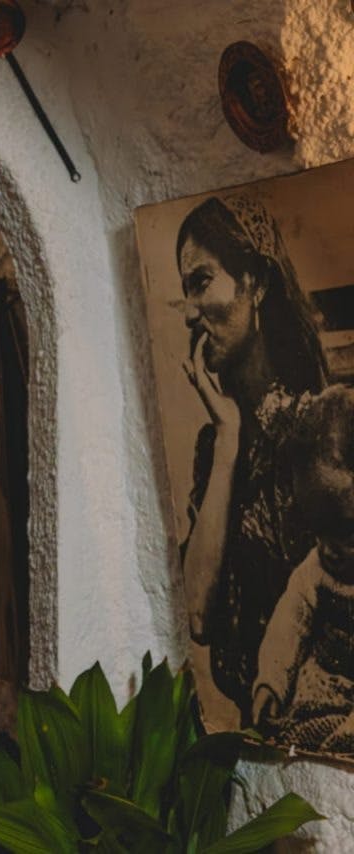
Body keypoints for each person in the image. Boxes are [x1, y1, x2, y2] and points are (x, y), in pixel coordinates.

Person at [177, 194, 327, 724]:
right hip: (253, 731)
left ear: (256, 282)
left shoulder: (319, 427)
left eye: (201, 281)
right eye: (184, 290)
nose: (189, 312)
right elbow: (198, 615)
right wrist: (228, 438)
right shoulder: (216, 444)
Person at [253, 384, 354, 751]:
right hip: (323, 692)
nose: (329, 548)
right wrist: (271, 682)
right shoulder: (315, 570)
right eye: (319, 532)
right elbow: (289, 625)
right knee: (297, 741)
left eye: (346, 531)